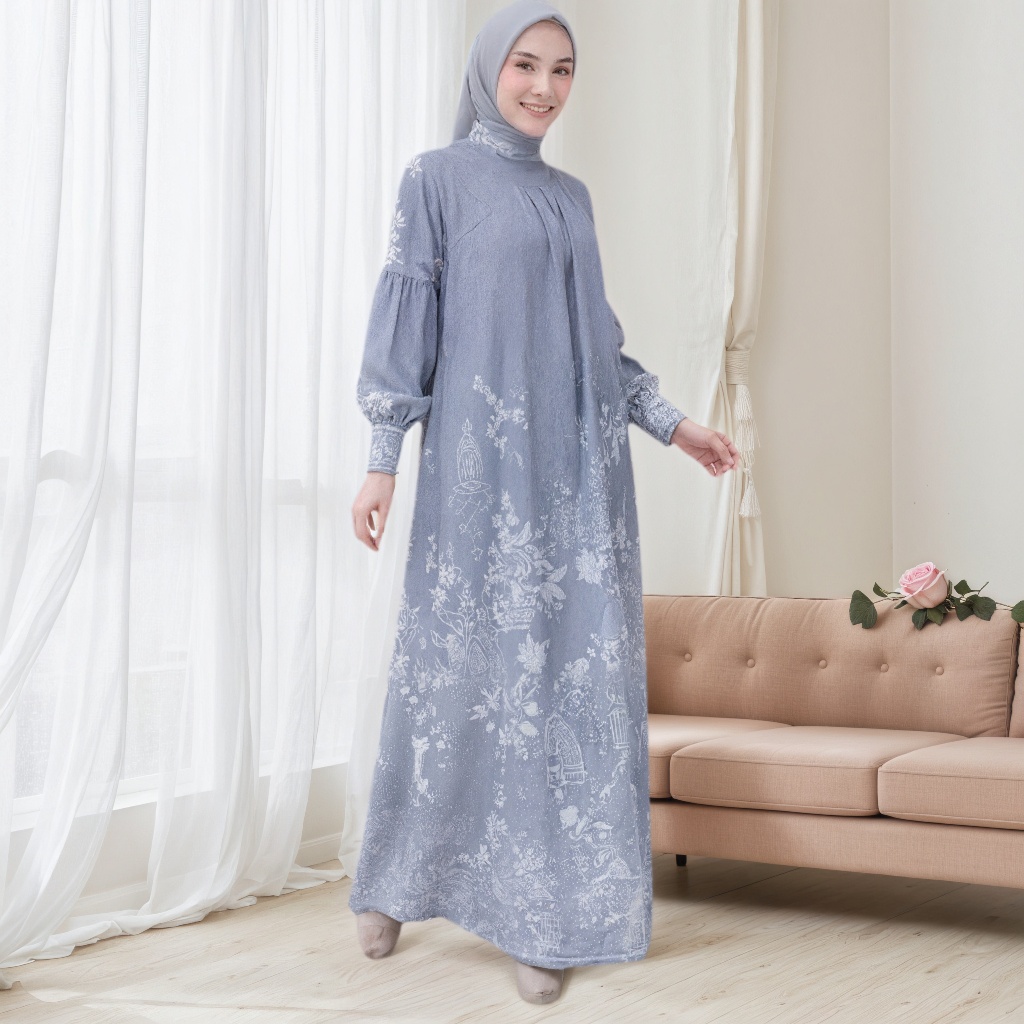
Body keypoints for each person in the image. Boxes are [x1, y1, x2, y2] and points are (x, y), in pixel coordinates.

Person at [348, 0, 738, 1005]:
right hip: (479, 479)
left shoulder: (571, 198)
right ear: (490, 69)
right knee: (451, 682)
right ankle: (395, 880)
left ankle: (543, 913)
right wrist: (383, 457)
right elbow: (408, 314)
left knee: (560, 693)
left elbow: (596, 343)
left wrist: (673, 424)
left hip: (578, 489)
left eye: (562, 70)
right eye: (526, 65)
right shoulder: (436, 179)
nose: (544, 87)